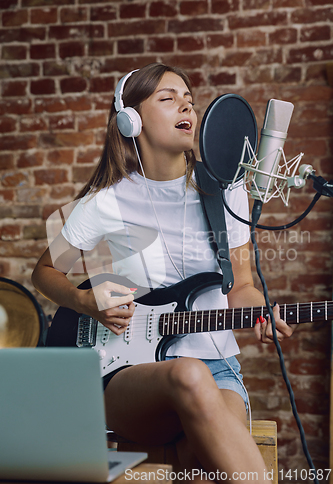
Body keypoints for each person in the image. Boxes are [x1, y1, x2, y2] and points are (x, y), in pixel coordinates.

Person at [32, 63, 294, 483]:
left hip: (218, 366)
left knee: (205, 457)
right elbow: (45, 272)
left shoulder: (226, 190)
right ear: (130, 120)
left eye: (189, 99)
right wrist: (85, 300)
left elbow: (241, 286)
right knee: (187, 373)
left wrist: (262, 311)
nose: (186, 105)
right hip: (127, 369)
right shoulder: (107, 202)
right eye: (168, 98)